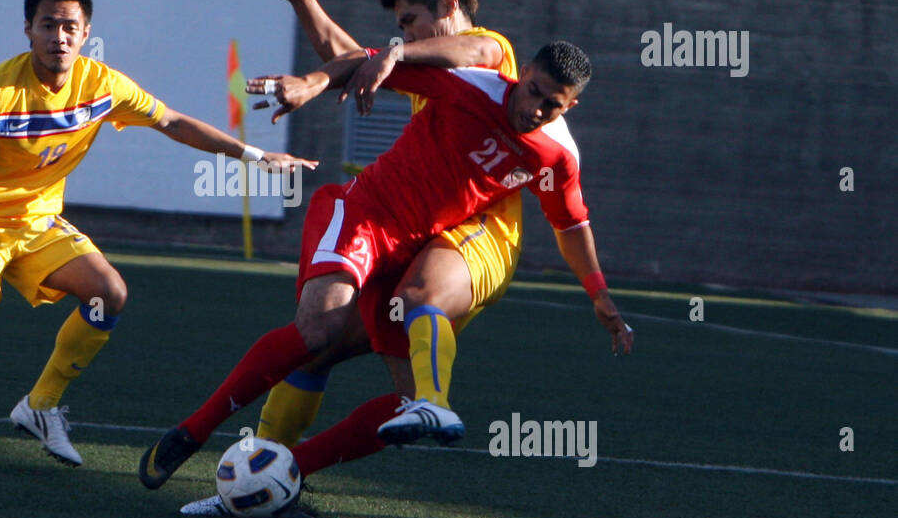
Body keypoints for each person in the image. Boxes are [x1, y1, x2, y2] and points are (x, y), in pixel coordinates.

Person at [140, 34, 632, 492]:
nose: (536, 109)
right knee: (319, 329)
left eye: (552, 104)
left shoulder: (557, 155)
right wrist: (310, 83)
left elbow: (570, 226)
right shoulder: (468, 82)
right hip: (364, 215)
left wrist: (599, 293)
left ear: (572, 106)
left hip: (410, 255)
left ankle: (287, 472)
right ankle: (193, 431)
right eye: (534, 92)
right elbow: (368, 58)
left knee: (410, 404)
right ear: (522, 73)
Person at [0, 0, 316, 470]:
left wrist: (257, 157)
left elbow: (171, 121)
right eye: (47, 25)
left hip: (38, 221)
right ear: (28, 30)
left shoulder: (102, 85)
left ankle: (40, 407)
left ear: (86, 34)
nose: (58, 37)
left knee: (110, 294)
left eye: (69, 27)